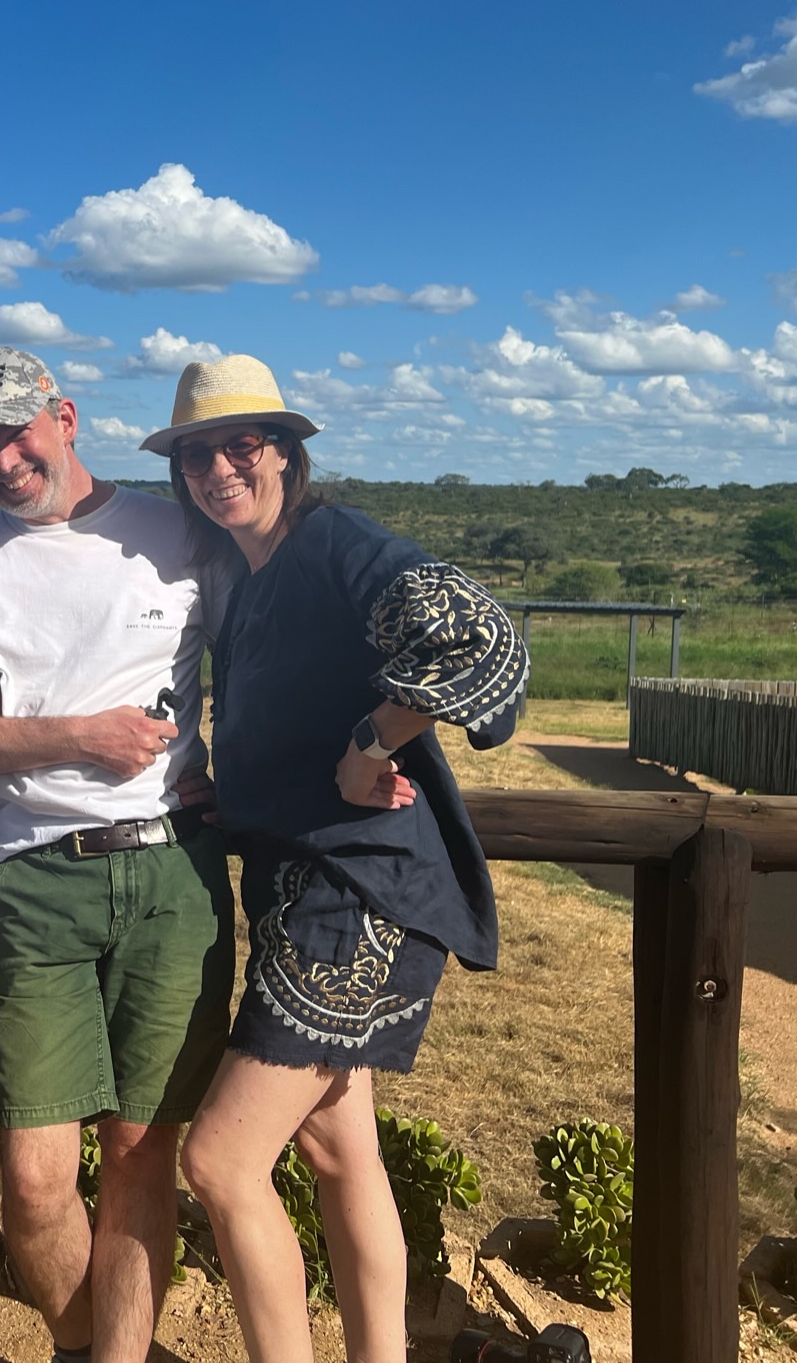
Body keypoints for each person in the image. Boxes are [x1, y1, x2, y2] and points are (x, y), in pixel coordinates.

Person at [147, 355, 527, 1363]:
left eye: (239, 445)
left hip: (356, 892)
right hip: (304, 885)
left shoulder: (332, 543)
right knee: (336, 1147)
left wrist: (373, 741)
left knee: (221, 1163)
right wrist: (238, 795)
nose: (217, 469)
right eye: (195, 455)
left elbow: (481, 637)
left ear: (282, 451)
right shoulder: (244, 579)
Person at [0, 347, 235, 1363]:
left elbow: (266, 649)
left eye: (17, 435)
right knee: (35, 1180)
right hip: (37, 872)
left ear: (66, 418)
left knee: (138, 1150)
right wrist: (75, 737)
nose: (4, 463)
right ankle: (86, 1346)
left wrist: (251, 768)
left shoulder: (176, 530)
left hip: (173, 869)